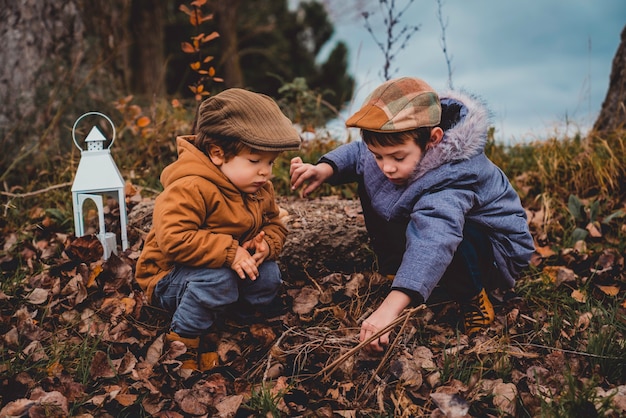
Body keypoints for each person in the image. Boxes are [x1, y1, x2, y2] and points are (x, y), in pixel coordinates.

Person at [290, 77, 534, 352]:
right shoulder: (395, 150)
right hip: (443, 232)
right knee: (372, 178)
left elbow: (435, 239)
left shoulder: (454, 175)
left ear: (433, 139)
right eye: (380, 155)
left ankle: (472, 296)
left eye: (397, 157)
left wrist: (389, 310)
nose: (387, 167)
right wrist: (325, 169)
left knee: (453, 230)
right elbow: (360, 154)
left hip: (491, 252)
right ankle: (402, 273)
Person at [136, 88, 301, 371]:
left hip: (225, 270)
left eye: (270, 162)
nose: (266, 172)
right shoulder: (191, 187)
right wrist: (230, 252)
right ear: (217, 153)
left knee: (269, 274)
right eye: (254, 161)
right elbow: (174, 239)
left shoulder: (259, 188)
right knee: (216, 280)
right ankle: (183, 339)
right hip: (170, 277)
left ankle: (233, 319)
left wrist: (267, 245)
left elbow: (275, 222)